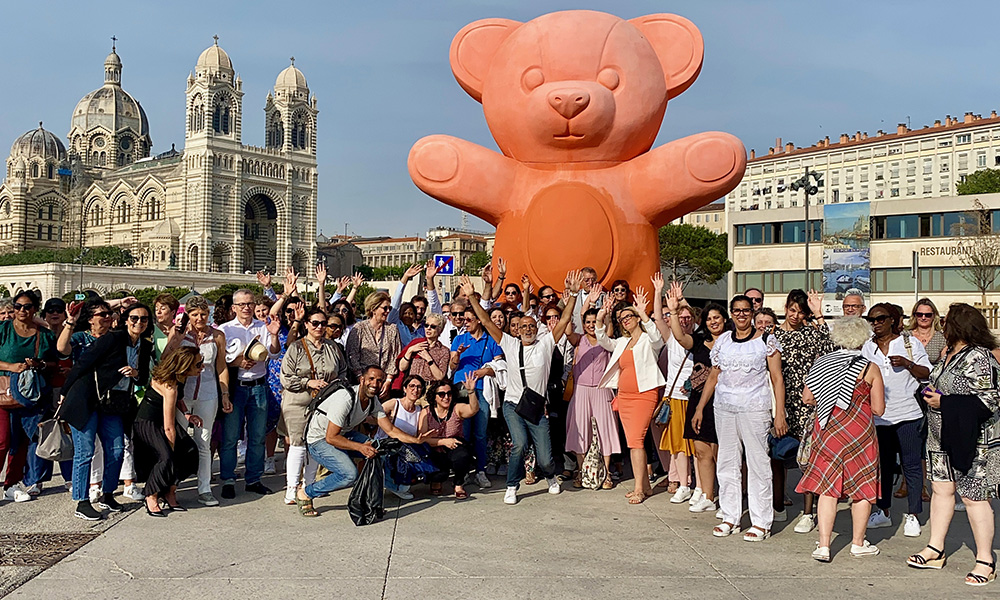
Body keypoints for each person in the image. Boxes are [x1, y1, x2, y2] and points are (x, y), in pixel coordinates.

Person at [461, 271, 577, 505]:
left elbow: (563, 321)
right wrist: (472, 297)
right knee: (520, 445)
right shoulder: (510, 343)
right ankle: (512, 485)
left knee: (545, 458)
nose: (527, 329)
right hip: (513, 405)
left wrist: (573, 294)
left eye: (531, 326)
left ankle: (550, 476)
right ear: (517, 329)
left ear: (537, 328)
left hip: (536, 407)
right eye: (523, 326)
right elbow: (485, 320)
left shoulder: (545, 344)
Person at [907, 303, 1000, 586]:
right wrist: (929, 394)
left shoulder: (980, 357)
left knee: (973, 497)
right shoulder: (948, 353)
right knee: (941, 489)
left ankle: (985, 560)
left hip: (975, 441)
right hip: (940, 436)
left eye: (947, 321)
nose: (942, 325)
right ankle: (935, 548)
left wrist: (944, 402)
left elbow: (990, 399)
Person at [693, 295, 786, 542]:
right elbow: (714, 375)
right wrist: (701, 407)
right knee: (726, 462)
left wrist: (780, 414)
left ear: (752, 313)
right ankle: (730, 516)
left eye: (746, 311)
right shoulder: (723, 341)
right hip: (724, 408)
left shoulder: (766, 340)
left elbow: (777, 378)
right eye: (737, 311)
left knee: (757, 463)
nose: (741, 315)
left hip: (755, 408)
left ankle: (761, 521)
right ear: (731, 314)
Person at [796, 318, 886, 562]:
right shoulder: (870, 367)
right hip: (860, 434)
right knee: (863, 488)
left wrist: (828, 397)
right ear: (863, 338)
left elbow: (807, 397)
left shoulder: (821, 363)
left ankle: (823, 545)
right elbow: (879, 409)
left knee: (828, 488)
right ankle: (858, 543)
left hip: (828, 431)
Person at [61, 303, 154, 521]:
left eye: (143, 319)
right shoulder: (113, 338)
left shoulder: (145, 345)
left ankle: (108, 494)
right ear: (125, 320)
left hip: (113, 403)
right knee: (85, 451)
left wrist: (136, 372)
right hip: (87, 399)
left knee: (116, 450)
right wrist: (65, 393)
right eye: (134, 318)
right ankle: (82, 502)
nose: (138, 323)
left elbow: (141, 378)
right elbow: (83, 362)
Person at [292, 365, 423, 517]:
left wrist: (416, 440)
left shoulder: (373, 401)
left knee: (380, 450)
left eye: (379, 381)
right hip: (319, 440)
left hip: (344, 434)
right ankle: (306, 493)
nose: (375, 384)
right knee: (349, 474)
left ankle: (374, 497)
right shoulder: (345, 398)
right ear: (362, 380)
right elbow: (331, 437)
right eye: (371, 379)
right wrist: (360, 447)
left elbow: (391, 430)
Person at [862, 302, 930, 537]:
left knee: (911, 465)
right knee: (883, 467)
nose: (876, 323)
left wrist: (907, 363)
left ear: (893, 319)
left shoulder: (910, 343)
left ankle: (914, 514)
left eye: (881, 318)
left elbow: (927, 373)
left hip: (908, 415)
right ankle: (884, 512)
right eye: (872, 320)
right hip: (879, 418)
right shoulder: (866, 348)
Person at [772, 289, 836, 533]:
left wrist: (819, 314)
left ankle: (810, 511)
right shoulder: (773, 335)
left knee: (809, 457)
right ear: (786, 307)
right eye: (792, 309)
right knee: (777, 454)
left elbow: (831, 348)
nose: (795, 315)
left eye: (801, 312)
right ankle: (779, 505)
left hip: (809, 402)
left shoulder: (811, 333)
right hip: (781, 401)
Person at [595, 282, 664, 505]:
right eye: (622, 318)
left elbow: (657, 339)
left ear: (636, 317)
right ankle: (644, 485)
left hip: (644, 394)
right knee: (634, 441)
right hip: (624, 397)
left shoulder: (647, 339)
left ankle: (639, 489)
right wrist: (601, 317)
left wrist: (644, 314)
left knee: (636, 441)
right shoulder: (622, 342)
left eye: (629, 316)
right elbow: (603, 340)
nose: (625, 320)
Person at [217, 289, 282, 500]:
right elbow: (219, 361)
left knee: (257, 437)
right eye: (242, 304)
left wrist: (273, 334)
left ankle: (253, 479)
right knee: (230, 436)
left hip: (259, 386)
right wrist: (237, 363)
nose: (246, 308)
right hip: (236, 386)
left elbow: (274, 353)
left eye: (250, 304)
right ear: (234, 308)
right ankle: (228, 478)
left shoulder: (262, 326)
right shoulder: (225, 330)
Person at [280, 306, 348, 505]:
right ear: (307, 324)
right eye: (315, 323)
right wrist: (308, 382)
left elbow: (342, 372)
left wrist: (334, 388)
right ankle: (291, 488)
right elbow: (286, 378)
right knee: (298, 443)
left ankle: (309, 486)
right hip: (298, 401)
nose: (319, 327)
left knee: (315, 443)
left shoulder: (332, 347)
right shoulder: (297, 347)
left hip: (324, 402)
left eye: (323, 323)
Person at [0, 291, 58, 503]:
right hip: (3, 392)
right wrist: (10, 367)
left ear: (35, 309)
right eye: (17, 306)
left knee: (22, 441)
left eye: (26, 307)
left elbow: (54, 363)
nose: (21, 311)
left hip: (31, 394)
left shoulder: (44, 335)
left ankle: (12, 484)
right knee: (3, 441)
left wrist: (39, 364)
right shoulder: (3, 330)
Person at [132, 347, 203, 517]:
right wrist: (170, 449)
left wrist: (186, 414)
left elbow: (178, 400)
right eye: (198, 364)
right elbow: (169, 427)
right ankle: (151, 495)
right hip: (147, 423)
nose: (202, 367)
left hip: (161, 422)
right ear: (185, 366)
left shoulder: (180, 378)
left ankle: (170, 492)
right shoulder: (169, 385)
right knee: (166, 457)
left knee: (190, 452)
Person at [675, 298, 730, 514]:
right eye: (708, 318)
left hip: (722, 400)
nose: (713, 322)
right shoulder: (699, 341)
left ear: (725, 319)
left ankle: (727, 498)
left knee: (720, 452)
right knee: (700, 450)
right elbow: (679, 337)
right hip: (698, 399)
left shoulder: (732, 341)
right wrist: (672, 310)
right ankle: (708, 495)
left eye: (716, 317)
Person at [179, 296, 230, 506]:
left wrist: (225, 394)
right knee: (178, 439)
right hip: (184, 392)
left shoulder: (217, 335)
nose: (199, 318)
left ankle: (205, 488)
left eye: (203, 314)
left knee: (204, 441)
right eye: (195, 314)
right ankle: (173, 484)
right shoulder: (181, 334)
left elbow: (221, 366)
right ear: (187, 315)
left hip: (208, 392)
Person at [649, 275, 696, 500]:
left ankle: (694, 484)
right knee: (677, 444)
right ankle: (683, 483)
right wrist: (658, 292)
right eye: (681, 317)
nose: (684, 320)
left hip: (692, 398)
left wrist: (680, 304)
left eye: (688, 317)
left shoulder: (696, 338)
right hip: (673, 397)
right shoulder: (670, 339)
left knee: (694, 446)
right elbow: (659, 318)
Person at [565, 301, 620, 490]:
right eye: (587, 322)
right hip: (581, 390)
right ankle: (582, 472)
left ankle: (606, 472)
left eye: (593, 321)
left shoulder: (605, 339)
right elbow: (567, 332)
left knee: (605, 430)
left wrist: (607, 314)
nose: (590, 325)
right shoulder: (579, 339)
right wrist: (569, 305)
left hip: (602, 389)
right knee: (580, 431)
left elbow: (610, 330)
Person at [450, 304, 503, 488]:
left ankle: (480, 470)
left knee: (480, 433)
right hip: (462, 389)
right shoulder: (459, 339)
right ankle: (463, 472)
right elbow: (452, 366)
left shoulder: (491, 341)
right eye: (464, 320)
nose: (465, 323)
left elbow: (500, 367)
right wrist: (457, 354)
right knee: (463, 431)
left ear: (479, 320)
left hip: (481, 390)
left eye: (469, 320)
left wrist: (484, 371)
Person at [420, 376, 479, 498]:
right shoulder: (426, 412)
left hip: (454, 446)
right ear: (434, 396)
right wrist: (443, 441)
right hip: (434, 449)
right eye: (441, 394)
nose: (446, 397)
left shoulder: (457, 408)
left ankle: (458, 483)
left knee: (463, 455)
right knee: (439, 474)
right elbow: (422, 439)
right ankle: (436, 480)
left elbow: (473, 410)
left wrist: (471, 392)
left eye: (449, 393)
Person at [346, 291, 401, 397]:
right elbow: (352, 354)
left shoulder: (392, 329)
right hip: (362, 381)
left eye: (389, 308)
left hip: (382, 382)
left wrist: (388, 380)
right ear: (373, 309)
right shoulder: (359, 328)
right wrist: (360, 377)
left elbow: (394, 356)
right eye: (384, 308)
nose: (387, 311)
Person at [380, 374, 426, 499]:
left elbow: (418, 434)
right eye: (411, 386)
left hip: (405, 448)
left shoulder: (419, 410)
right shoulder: (394, 404)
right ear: (405, 389)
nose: (415, 390)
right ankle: (387, 482)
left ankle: (399, 482)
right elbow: (373, 416)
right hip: (386, 446)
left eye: (419, 387)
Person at [397, 313, 449, 383]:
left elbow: (440, 376)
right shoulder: (416, 343)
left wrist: (429, 359)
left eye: (433, 326)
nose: (428, 328)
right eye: (426, 325)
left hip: (430, 386)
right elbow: (402, 368)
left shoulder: (444, 351)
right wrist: (410, 350)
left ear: (440, 330)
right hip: (413, 386)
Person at [907, 299, 946, 365]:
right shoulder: (905, 336)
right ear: (914, 315)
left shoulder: (941, 338)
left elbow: (944, 364)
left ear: (934, 316)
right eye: (919, 314)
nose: (923, 318)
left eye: (928, 315)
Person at [151, 293, 180, 362]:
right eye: (156, 309)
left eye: (163, 309)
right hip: (157, 371)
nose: (158, 312)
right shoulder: (151, 330)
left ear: (173, 312)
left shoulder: (179, 330)